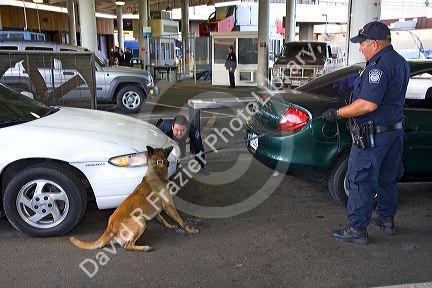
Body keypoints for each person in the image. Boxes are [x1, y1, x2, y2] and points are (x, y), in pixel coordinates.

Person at [322, 21, 410, 244]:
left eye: (362, 44)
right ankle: (386, 220)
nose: (360, 48)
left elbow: (368, 104)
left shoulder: (378, 67)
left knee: (360, 179)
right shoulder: (400, 62)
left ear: (375, 44)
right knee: (387, 179)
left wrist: (338, 113)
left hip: (373, 137)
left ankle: (357, 229)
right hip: (394, 133)